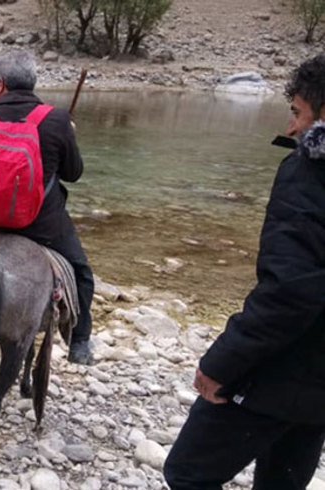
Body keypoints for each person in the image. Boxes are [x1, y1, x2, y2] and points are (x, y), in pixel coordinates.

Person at [163, 54, 325, 490]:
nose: (291, 129)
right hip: (318, 385)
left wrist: (222, 363)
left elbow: (292, 292)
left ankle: (79, 330)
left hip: (280, 369)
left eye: (297, 113)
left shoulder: (309, 169)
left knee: (187, 474)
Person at [0, 50, 95, 366]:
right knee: (81, 272)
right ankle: (79, 341)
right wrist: (69, 133)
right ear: (32, 83)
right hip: (46, 226)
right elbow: (74, 174)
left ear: (0, 85)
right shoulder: (56, 119)